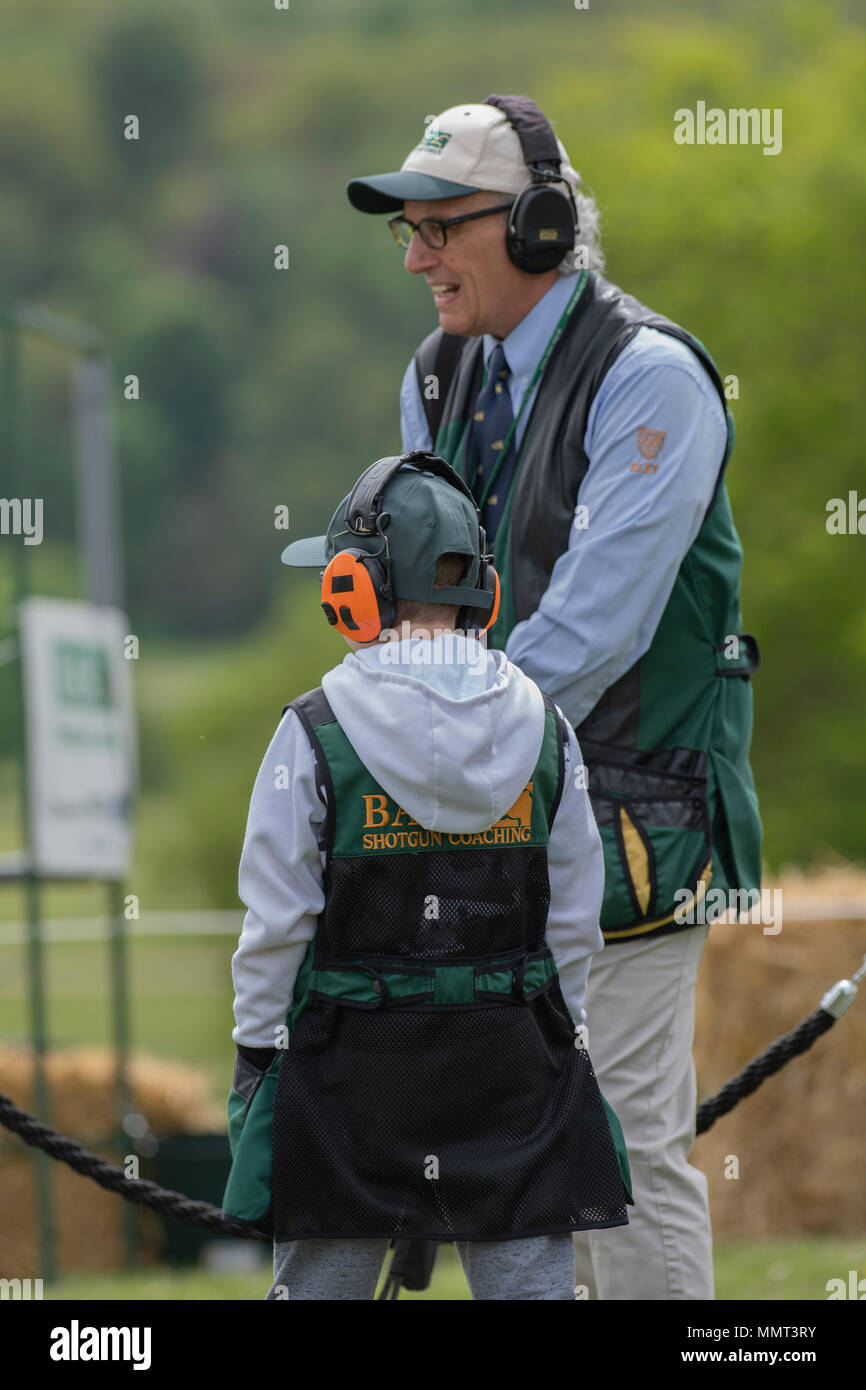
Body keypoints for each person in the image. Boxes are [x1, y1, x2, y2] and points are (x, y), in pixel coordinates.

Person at [346, 96, 763, 1300]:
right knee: (508, 1146)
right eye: (406, 232)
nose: (417, 257)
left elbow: (593, 626)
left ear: (535, 227)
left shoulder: (650, 376)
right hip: (491, 802)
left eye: (440, 228)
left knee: (619, 1146)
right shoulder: (434, 375)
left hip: (635, 808)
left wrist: (425, 757)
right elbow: (422, 600)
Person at [221, 452, 632, 1301]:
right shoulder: (548, 727)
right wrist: (563, 1032)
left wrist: (259, 1053)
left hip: (350, 1071)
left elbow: (276, 923)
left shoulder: (315, 730)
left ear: (355, 587)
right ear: (480, 584)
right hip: (511, 1058)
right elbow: (574, 924)